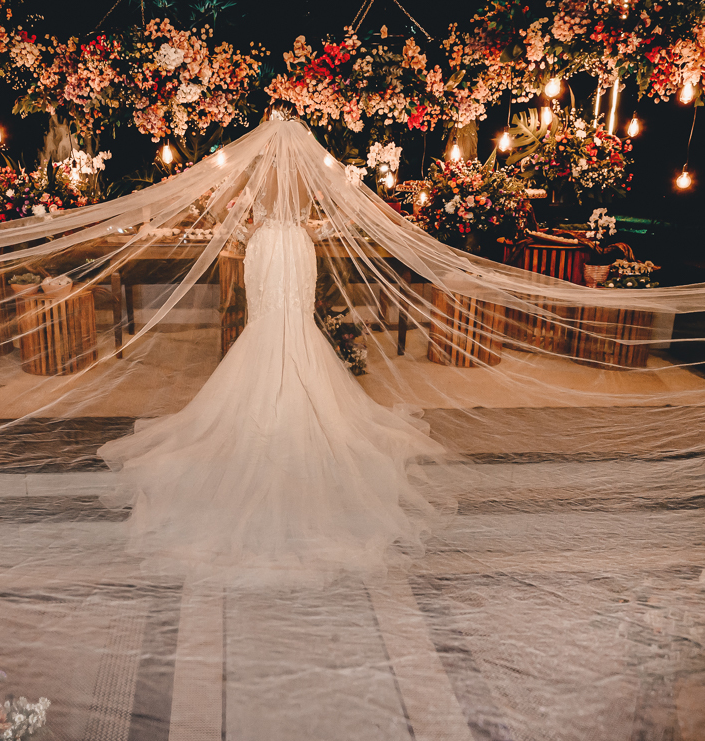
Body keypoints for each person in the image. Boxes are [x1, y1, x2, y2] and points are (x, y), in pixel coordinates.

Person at [98, 111, 445, 583]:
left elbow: (222, 211)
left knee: (263, 321)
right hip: (298, 247)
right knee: (296, 321)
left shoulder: (252, 168)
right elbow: (342, 212)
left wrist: (250, 232)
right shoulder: (311, 168)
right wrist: (308, 230)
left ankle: (259, 406)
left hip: (264, 247)